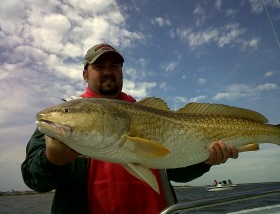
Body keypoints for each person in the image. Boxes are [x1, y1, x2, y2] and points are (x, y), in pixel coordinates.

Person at [21, 43, 239, 214]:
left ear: (121, 72)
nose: (108, 71)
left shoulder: (145, 113)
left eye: (114, 66)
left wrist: (205, 161)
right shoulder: (61, 123)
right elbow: (34, 179)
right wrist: (51, 161)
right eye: (99, 66)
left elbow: (177, 170)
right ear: (85, 74)